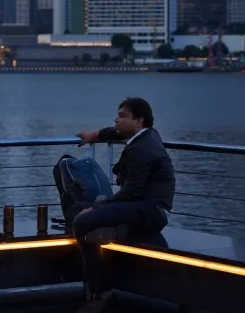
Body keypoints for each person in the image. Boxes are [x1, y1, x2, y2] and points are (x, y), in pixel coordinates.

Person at [72, 97, 176, 313]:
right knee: (79, 212)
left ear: (139, 121)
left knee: (82, 222)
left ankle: (102, 294)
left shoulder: (142, 149)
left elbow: (132, 191)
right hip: (143, 207)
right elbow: (116, 132)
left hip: (149, 210)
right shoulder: (147, 135)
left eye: (122, 116)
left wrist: (99, 207)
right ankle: (120, 230)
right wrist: (96, 135)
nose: (116, 120)